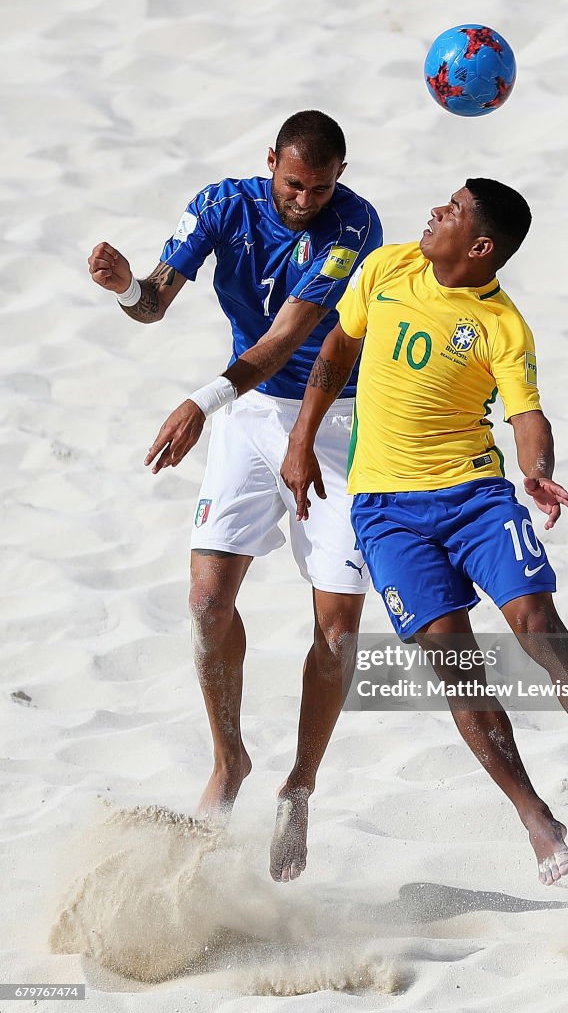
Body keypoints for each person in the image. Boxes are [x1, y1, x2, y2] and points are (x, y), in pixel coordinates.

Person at [280, 178, 568, 886]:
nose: (436, 211)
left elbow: (527, 415)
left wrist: (539, 470)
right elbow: (338, 349)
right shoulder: (387, 267)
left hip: (475, 497)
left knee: (538, 625)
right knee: (458, 671)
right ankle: (535, 816)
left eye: (454, 211)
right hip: (386, 511)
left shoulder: (503, 325)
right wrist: (302, 439)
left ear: (481, 246)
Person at [87, 110, 382, 882]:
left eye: (320, 187)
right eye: (293, 184)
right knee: (208, 600)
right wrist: (126, 290)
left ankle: (301, 784)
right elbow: (156, 303)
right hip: (249, 417)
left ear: (339, 179)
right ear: (270, 165)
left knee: (338, 629)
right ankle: (231, 761)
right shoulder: (224, 204)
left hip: (336, 421)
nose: (305, 200)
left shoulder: (356, 226)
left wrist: (199, 402)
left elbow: (288, 337)